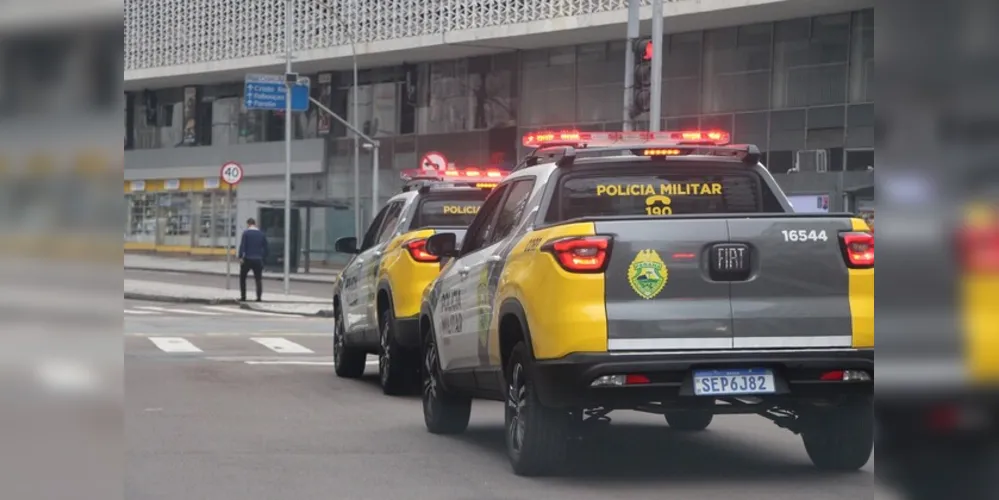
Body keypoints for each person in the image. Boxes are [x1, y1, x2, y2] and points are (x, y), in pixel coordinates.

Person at [237, 218, 268, 302]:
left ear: (248, 224)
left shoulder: (246, 233)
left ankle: (243, 297)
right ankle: (259, 297)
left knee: (243, 277)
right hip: (258, 259)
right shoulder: (261, 234)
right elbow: (266, 247)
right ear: (255, 224)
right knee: (258, 279)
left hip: (248, 259)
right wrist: (263, 258)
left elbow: (242, 246)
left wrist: (240, 257)